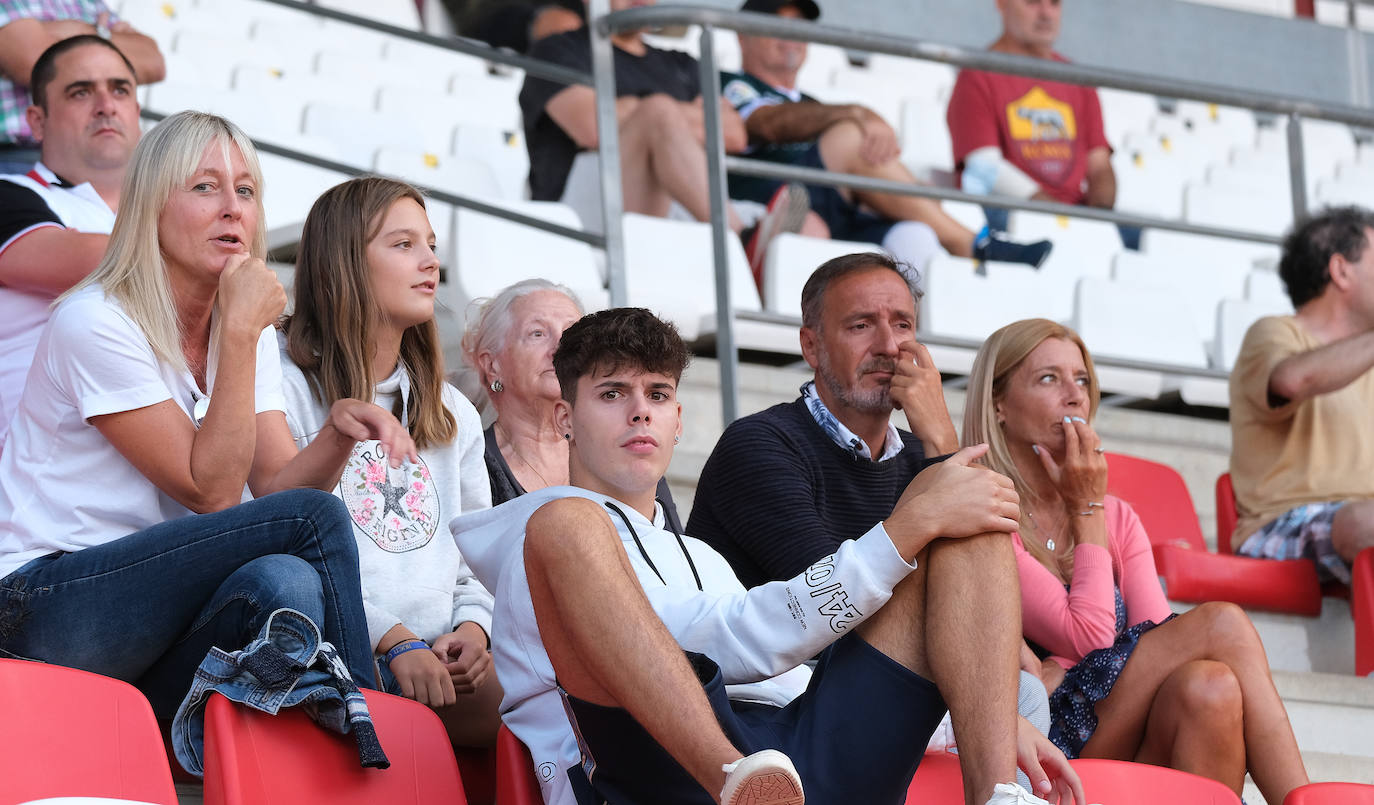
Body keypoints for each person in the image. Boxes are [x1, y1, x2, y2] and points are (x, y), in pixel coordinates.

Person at [454, 306, 1082, 805]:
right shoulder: (537, 540)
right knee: (564, 520)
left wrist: (988, 716)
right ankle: (734, 778)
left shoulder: (701, 555)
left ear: (678, 420)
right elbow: (703, 647)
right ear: (565, 417)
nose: (640, 409)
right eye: (613, 393)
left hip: (793, 762)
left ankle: (996, 794)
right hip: (654, 771)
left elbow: (790, 676)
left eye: (657, 393)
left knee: (968, 517)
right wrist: (896, 534)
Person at [0, 111, 416, 715]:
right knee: (316, 520)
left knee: (287, 582)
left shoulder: (239, 323)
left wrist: (334, 433)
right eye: (204, 186)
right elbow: (212, 492)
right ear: (150, 206)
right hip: (39, 607)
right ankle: (371, 718)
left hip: (152, 622)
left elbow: (274, 489)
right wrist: (242, 336)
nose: (233, 208)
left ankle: (211, 743)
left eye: (245, 190)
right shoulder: (96, 319)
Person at [687, 251, 1064, 797]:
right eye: (861, 325)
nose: (890, 346)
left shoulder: (918, 454)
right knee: (1008, 703)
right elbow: (833, 601)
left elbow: (980, 594)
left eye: (904, 325)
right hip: (785, 695)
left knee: (1021, 692)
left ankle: (998, 796)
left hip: (879, 680)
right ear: (811, 346)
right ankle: (997, 787)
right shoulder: (760, 444)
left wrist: (938, 438)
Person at [963, 317, 1309, 804]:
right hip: (1039, 739)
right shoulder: (990, 512)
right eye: (1049, 379)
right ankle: (1306, 798)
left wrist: (1063, 661)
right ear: (998, 404)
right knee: (1223, 625)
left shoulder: (1118, 515)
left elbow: (1157, 638)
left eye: (1081, 379)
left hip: (1114, 722)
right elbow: (1091, 635)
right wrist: (1087, 509)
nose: (1075, 395)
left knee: (1210, 685)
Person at [278, 176, 502, 747]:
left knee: (559, 707)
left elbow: (476, 562)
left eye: (431, 245)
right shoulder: (283, 382)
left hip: (437, 658)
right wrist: (392, 638)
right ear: (344, 263)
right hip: (331, 648)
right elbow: (277, 546)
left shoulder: (453, 412)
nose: (430, 262)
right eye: (404, 245)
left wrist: (473, 630)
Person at [725, 0, 1051, 282]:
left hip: (838, 209)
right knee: (853, 138)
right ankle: (970, 243)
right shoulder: (729, 83)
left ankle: (918, 341)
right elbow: (765, 124)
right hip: (779, 199)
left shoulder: (813, 103)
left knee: (915, 234)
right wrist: (859, 115)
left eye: (799, 27)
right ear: (743, 34)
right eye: (777, 25)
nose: (790, 37)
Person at [519, 0, 812, 270]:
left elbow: (733, 134)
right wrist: (659, 115)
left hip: (671, 202)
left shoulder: (681, 63)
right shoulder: (558, 51)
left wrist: (634, 109)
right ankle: (739, 241)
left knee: (812, 224)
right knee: (657, 113)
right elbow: (594, 127)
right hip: (583, 212)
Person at [0, 35, 140, 444]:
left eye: (120, 89)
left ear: (136, 111)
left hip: (157, 468)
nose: (105, 104)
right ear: (37, 121)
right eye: (81, 91)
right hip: (34, 476)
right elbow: (91, 264)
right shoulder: (9, 193)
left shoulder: (165, 215)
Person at [461, 277, 684, 531]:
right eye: (537, 334)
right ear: (492, 365)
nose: (559, 347)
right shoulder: (472, 463)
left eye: (570, 333)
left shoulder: (626, 448)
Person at [1229, 206, 1374, 584]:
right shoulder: (1273, 333)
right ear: (1341, 270)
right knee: (1363, 521)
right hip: (1282, 524)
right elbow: (1292, 380)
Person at [945, 0, 1131, 247]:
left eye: (1054, 3)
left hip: (1074, 214)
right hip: (1007, 213)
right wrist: (1058, 216)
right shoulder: (977, 75)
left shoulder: (1077, 79)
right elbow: (984, 167)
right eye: (1032, 2)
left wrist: (1097, 218)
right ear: (1001, 4)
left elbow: (1100, 167)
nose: (1046, 13)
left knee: (1150, 237)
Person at [0, 0, 164, 172]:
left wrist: (84, 31)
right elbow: (36, 61)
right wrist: (105, 35)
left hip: (99, 162)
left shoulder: (89, 3)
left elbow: (153, 63)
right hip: (18, 159)